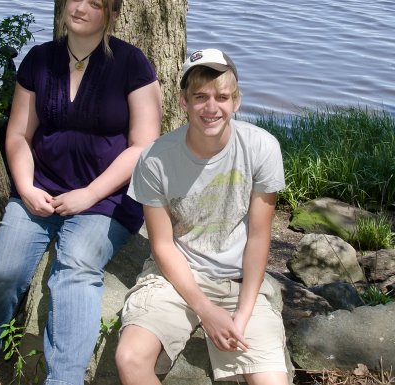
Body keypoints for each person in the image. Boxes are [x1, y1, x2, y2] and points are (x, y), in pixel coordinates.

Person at [0, 0, 163, 385]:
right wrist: (26, 188)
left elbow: (143, 146)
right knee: (3, 269)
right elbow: (18, 134)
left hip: (107, 199)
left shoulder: (132, 64)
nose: (82, 8)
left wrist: (88, 195)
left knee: (75, 269)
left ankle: (64, 380)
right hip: (41, 191)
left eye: (95, 3)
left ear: (111, 16)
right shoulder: (40, 60)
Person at [115, 48, 291, 385]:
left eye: (222, 97)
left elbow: (258, 237)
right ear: (183, 102)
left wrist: (240, 314)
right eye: (200, 97)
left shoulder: (262, 148)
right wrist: (206, 311)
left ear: (236, 101)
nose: (212, 107)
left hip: (239, 282)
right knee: (129, 358)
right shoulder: (155, 159)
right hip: (174, 280)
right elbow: (162, 245)